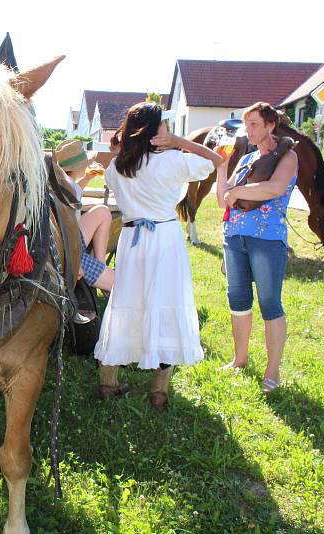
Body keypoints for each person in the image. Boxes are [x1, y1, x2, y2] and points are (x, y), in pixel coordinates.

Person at [93, 102, 223, 407]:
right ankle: (159, 392)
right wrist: (178, 142)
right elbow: (216, 160)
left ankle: (108, 383)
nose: (167, 129)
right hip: (163, 239)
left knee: (126, 301)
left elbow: (118, 170)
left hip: (131, 238)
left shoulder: (117, 167)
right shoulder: (173, 161)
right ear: (155, 130)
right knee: (166, 301)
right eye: (164, 125)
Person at [216, 102, 297, 394]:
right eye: (245, 124)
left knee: (269, 303)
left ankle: (272, 372)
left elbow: (274, 188)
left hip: (267, 239)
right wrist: (222, 169)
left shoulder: (288, 157)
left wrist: (236, 192)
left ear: (270, 125)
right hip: (234, 237)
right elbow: (220, 199)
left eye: (253, 124)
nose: (247, 130)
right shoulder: (246, 159)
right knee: (237, 300)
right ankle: (239, 360)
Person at [54, 139, 114, 292]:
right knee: (118, 284)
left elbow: (75, 192)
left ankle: (100, 265)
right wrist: (75, 262)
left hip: (69, 237)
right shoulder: (69, 187)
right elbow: (63, 226)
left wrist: (86, 179)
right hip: (68, 245)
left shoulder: (65, 184)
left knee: (102, 211)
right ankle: (100, 275)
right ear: (79, 167)